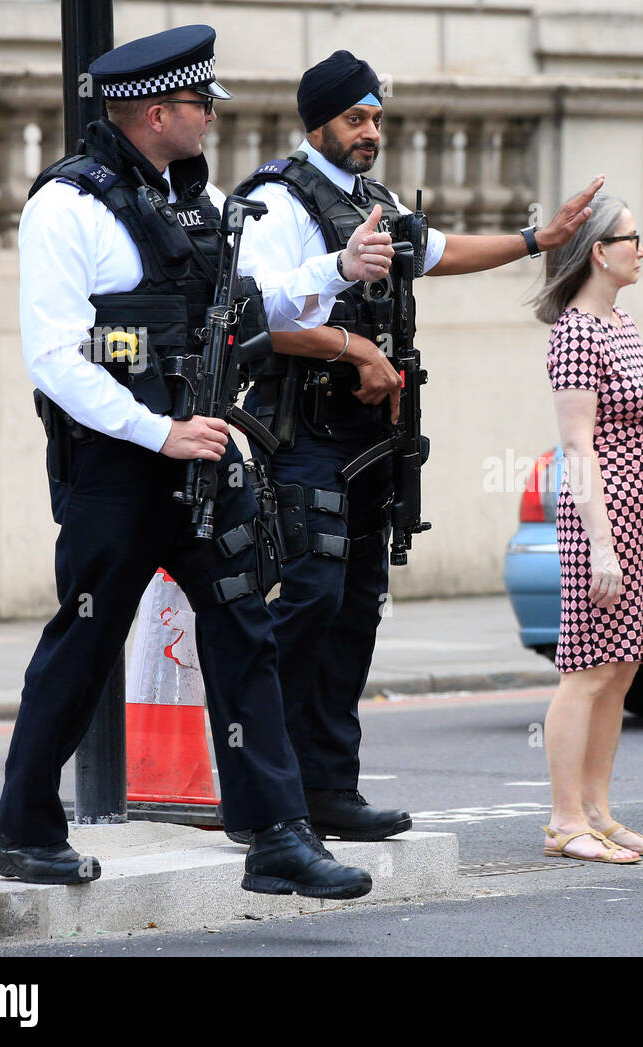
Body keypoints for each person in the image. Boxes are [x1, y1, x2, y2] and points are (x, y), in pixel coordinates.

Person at [0, 25, 371, 899]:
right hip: (117, 470)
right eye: (202, 105)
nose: (211, 119)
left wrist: (334, 268)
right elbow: (54, 357)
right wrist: (155, 432)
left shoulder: (188, 201)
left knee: (246, 629)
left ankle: (276, 831)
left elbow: (238, 306)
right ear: (156, 112)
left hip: (203, 460)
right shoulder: (67, 205)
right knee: (84, 643)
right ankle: (23, 827)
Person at [232, 50, 604, 841]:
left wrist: (538, 239)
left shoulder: (376, 199)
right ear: (317, 123)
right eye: (356, 119)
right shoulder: (276, 201)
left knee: (358, 609)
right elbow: (256, 318)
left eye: (376, 119)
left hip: (372, 445)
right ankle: (269, 789)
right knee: (307, 603)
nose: (371, 133)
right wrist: (353, 348)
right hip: (302, 438)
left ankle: (329, 787)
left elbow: (436, 253)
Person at [529, 195, 643, 864]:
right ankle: (564, 818)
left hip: (641, 508)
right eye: (631, 238)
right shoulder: (578, 330)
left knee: (623, 667)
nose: (641, 248)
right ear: (598, 251)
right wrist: (604, 543)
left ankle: (598, 810)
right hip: (602, 511)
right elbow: (578, 447)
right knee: (587, 668)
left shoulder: (623, 321)